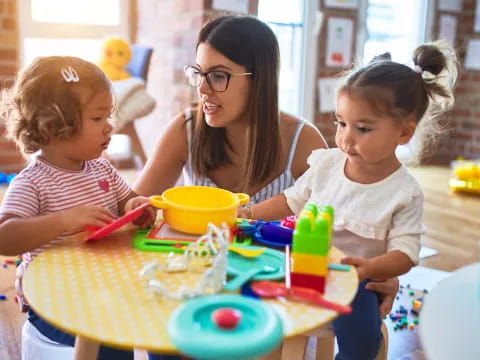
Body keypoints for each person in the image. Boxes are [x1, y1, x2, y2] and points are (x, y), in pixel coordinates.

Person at [128, 14, 400, 359]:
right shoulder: (186, 129)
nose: (203, 89)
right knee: (163, 332)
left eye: (218, 76)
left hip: (275, 298)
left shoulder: (302, 142)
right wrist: (136, 209)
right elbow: (139, 201)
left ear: (259, 80)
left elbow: (353, 220)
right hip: (203, 286)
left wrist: (383, 270)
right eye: (198, 73)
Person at [242, 41, 458, 359]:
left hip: (355, 280)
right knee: (253, 278)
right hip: (301, 262)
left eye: (363, 128)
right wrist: (248, 212)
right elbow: (290, 200)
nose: (345, 137)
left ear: (403, 133)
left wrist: (371, 267)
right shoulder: (327, 164)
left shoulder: (404, 191)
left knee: (362, 340)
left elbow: (406, 253)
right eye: (341, 123)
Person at [0, 56, 154, 360]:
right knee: (109, 336)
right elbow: (5, 236)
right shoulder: (33, 182)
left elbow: (128, 202)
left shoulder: (103, 170)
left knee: (139, 320)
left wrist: (136, 207)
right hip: (54, 302)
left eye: (108, 116)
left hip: (103, 288)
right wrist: (63, 220)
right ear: (55, 125)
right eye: (98, 119)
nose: (109, 126)